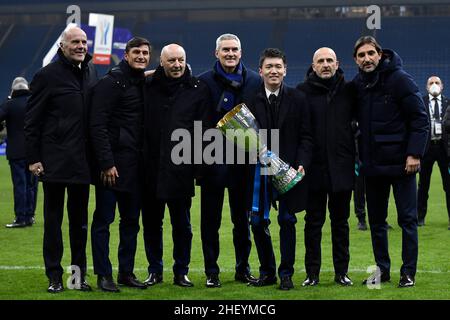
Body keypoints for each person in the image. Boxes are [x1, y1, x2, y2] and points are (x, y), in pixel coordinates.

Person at [24, 27, 98, 293]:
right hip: (54, 161)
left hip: (82, 162)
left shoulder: (91, 72)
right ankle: (54, 276)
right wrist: (34, 159)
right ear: (62, 46)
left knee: (79, 224)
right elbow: (31, 121)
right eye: (75, 42)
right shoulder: (47, 76)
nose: (80, 46)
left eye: (83, 42)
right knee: (53, 223)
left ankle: (78, 277)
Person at [352, 36, 429, 288]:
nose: (366, 59)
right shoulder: (357, 85)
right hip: (373, 166)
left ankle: (408, 273)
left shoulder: (400, 79)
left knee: (407, 220)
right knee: (376, 223)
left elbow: (419, 118)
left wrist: (414, 153)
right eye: (361, 55)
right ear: (356, 60)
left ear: (380, 54)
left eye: (370, 54)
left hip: (401, 165)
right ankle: (382, 272)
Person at [142, 43, 211, 288]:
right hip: (150, 169)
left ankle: (181, 271)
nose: (177, 65)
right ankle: (155, 270)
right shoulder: (147, 85)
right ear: (161, 62)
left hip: (181, 169)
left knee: (182, 225)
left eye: (180, 60)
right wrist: (143, 74)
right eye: (171, 60)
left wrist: (198, 168)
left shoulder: (197, 88)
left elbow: (203, 130)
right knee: (151, 223)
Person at [197, 33, 261, 287]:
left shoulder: (255, 81)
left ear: (241, 52)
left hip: (244, 164)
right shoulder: (203, 82)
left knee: (241, 222)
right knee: (209, 221)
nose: (230, 54)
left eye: (234, 49)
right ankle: (211, 271)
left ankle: (242, 268)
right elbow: (197, 124)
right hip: (212, 161)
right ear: (216, 53)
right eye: (225, 50)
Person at [89, 37, 151, 292]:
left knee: (131, 222)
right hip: (111, 167)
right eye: (136, 52)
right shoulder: (110, 82)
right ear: (126, 55)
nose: (141, 56)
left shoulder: (142, 82)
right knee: (104, 220)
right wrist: (106, 163)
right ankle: (104, 275)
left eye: (145, 53)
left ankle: (126, 272)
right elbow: (97, 124)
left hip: (135, 167)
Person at [248, 48, 313, 290]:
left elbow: (307, 136)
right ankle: (267, 272)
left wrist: (301, 164)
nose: (273, 70)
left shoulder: (298, 99)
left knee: (287, 221)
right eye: (269, 67)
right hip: (260, 172)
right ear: (261, 70)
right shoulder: (250, 100)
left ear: (285, 70)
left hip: (289, 172)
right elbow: (242, 138)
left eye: (278, 66)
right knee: (257, 223)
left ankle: (286, 274)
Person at [297, 47, 355, 287]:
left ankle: (342, 272)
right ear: (313, 65)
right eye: (320, 61)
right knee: (313, 224)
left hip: (342, 168)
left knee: (341, 224)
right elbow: (300, 132)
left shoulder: (349, 91)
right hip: (314, 171)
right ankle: (312, 273)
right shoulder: (301, 93)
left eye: (330, 60)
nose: (325, 64)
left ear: (337, 63)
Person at [0, 77, 38, 228]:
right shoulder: (34, 102)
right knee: (32, 185)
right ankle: (30, 216)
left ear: (13, 89)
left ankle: (20, 217)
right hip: (34, 151)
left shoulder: (10, 104)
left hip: (16, 152)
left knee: (20, 185)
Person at [417, 76, 450, 227]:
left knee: (448, 185)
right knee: (423, 185)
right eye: (431, 83)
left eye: (437, 82)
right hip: (426, 148)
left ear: (442, 86)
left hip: (444, 150)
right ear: (426, 87)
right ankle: (420, 217)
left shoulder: (448, 103)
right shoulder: (421, 102)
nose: (434, 85)